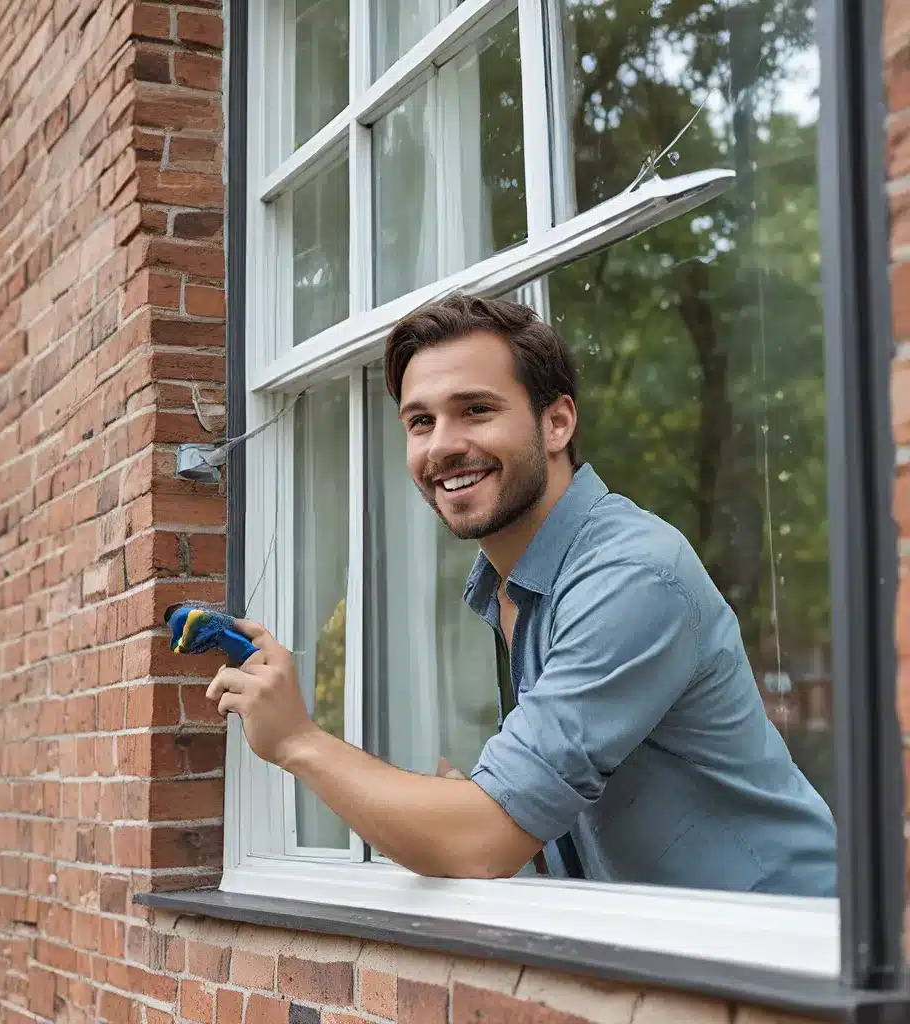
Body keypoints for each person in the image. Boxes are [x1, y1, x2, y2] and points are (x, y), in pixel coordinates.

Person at [207, 294, 837, 897]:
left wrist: (297, 740)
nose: (443, 445)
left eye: (476, 410)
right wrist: (467, 809)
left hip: (788, 957)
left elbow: (481, 843)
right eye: (420, 421)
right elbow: (546, 807)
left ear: (557, 422)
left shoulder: (629, 573)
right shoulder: (509, 586)